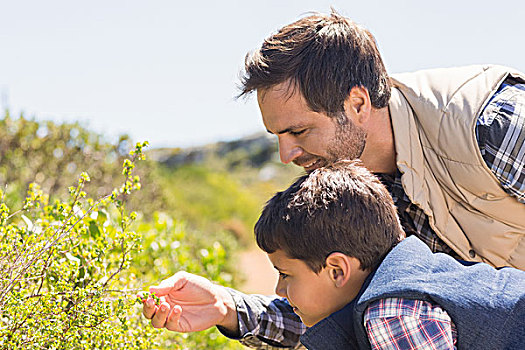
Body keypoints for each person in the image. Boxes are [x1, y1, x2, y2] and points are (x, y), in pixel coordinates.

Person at [141, 9, 525, 348]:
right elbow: (344, 311)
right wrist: (227, 309)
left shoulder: (494, 126)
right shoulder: (357, 194)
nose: (286, 155)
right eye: (277, 136)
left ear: (357, 104)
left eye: (299, 132)